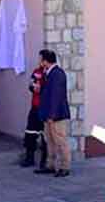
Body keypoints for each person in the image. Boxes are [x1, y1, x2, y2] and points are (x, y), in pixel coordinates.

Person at [37, 49, 71, 177]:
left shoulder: (57, 74)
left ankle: (64, 166)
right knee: (49, 141)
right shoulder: (49, 73)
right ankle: (50, 164)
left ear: (46, 61)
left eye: (41, 59)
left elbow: (56, 96)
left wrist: (52, 115)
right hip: (49, 115)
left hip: (56, 115)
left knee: (60, 140)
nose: (40, 62)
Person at [20, 61, 48, 169]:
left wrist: (42, 89)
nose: (40, 62)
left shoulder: (50, 73)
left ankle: (44, 161)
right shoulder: (36, 72)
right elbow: (31, 85)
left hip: (45, 109)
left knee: (45, 136)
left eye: (42, 60)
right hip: (35, 108)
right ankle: (29, 158)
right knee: (30, 132)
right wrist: (33, 87)